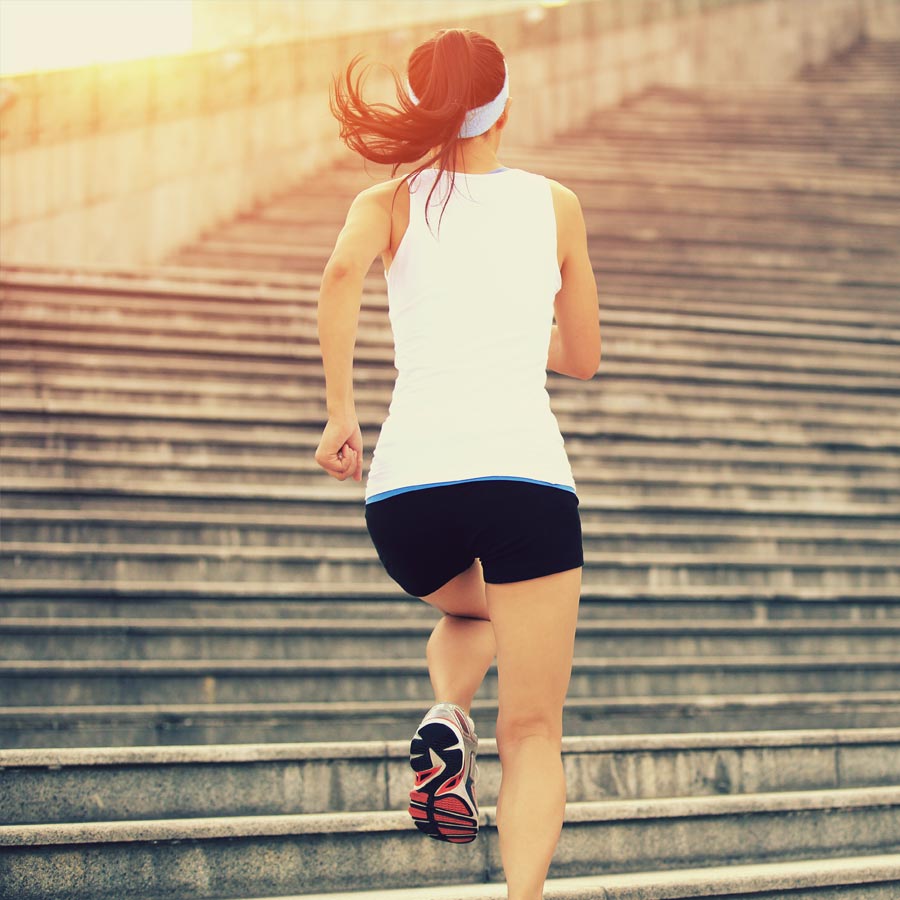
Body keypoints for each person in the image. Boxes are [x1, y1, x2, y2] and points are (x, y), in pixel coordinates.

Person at [315, 26, 601, 900]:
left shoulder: (387, 200)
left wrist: (340, 413)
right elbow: (583, 357)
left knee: (476, 614)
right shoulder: (555, 205)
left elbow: (337, 277)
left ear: (421, 107)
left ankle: (449, 715)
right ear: (505, 103)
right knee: (537, 729)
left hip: (407, 492)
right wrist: (515, 329)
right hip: (524, 484)